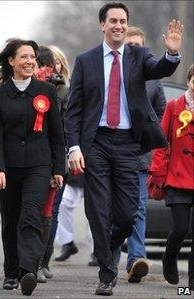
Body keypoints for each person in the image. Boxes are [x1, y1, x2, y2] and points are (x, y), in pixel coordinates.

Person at [65, 1, 183, 296]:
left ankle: (107, 242)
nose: (118, 25)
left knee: (129, 214)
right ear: (102, 25)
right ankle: (107, 274)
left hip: (129, 143)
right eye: (113, 21)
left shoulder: (138, 55)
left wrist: (171, 52)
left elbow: (160, 69)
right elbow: (74, 110)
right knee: (98, 211)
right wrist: (74, 147)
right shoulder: (86, 60)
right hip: (97, 143)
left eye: (123, 21)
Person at [0, 39, 65, 296]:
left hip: (38, 165)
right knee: (11, 220)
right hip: (7, 168)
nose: (30, 61)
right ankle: (11, 272)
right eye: (24, 57)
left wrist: (58, 169)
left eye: (32, 56)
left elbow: (56, 133)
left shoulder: (46, 91)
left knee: (31, 215)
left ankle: (27, 271)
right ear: (11, 61)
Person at [117, 26, 167, 283]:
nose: (134, 48)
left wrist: (148, 135)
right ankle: (109, 259)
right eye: (130, 44)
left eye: (138, 44)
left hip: (140, 155)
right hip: (113, 152)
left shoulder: (153, 79)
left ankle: (136, 259)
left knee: (137, 208)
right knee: (113, 209)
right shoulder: (112, 73)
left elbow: (161, 112)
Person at [149, 64, 194, 291]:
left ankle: (192, 282)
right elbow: (161, 141)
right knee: (181, 228)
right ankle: (169, 256)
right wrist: (157, 171)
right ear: (189, 81)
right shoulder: (175, 106)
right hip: (177, 177)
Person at [34, 45, 70, 281]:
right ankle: (24, 262)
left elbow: (63, 131)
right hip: (27, 161)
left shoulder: (63, 91)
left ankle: (41, 261)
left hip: (54, 160)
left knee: (50, 213)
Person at [54, 173, 83, 261]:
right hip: (75, 173)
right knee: (63, 204)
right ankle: (68, 242)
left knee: (97, 209)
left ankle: (98, 250)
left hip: (98, 169)